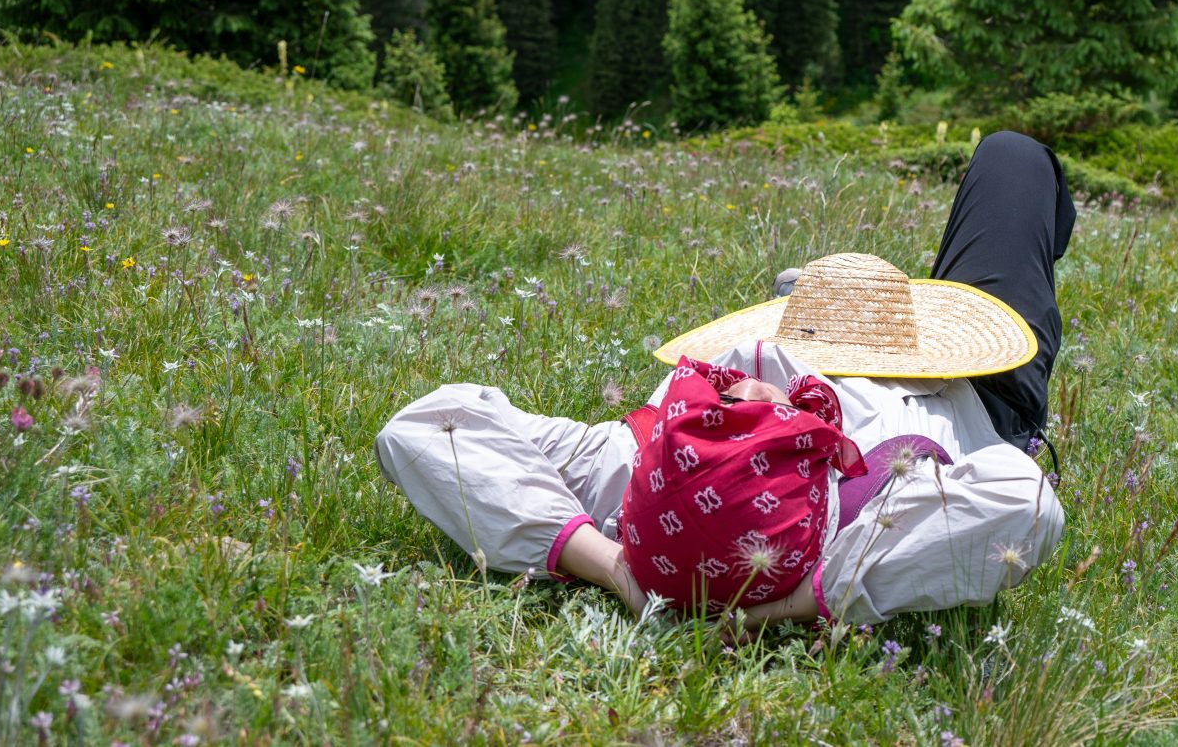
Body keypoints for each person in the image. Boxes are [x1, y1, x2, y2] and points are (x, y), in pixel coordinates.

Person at [374, 130, 1077, 625]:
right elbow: (1026, 503)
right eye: (739, 410)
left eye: (727, 396)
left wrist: (616, 565)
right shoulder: (868, 507)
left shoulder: (636, 471)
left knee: (996, 172)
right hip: (975, 386)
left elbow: (427, 425)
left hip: (822, 345)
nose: (738, 391)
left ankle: (813, 299)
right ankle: (843, 301)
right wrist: (795, 601)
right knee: (1014, 158)